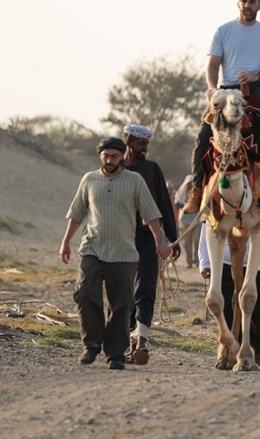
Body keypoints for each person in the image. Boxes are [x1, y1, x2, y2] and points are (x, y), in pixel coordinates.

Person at [185, 0, 260, 213]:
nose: (247, 5)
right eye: (244, 1)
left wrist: (256, 75)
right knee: (203, 134)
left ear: (259, 6)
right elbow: (212, 65)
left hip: (257, 86)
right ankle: (196, 189)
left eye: (252, 1)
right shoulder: (223, 31)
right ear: (238, 4)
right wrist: (212, 91)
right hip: (227, 88)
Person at [59, 137, 172, 370]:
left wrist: (160, 241)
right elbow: (77, 213)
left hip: (124, 253)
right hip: (92, 249)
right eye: (105, 156)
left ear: (122, 156)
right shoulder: (89, 180)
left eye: (114, 156)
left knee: (122, 304)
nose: (109, 160)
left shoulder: (134, 180)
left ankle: (115, 354)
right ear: (100, 156)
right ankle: (91, 344)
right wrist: (65, 243)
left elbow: (151, 213)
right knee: (84, 292)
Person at [120, 124, 180, 364]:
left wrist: (172, 238)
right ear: (128, 142)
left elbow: (165, 205)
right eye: (140, 143)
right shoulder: (115, 169)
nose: (144, 147)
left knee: (145, 287)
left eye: (147, 143)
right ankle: (125, 341)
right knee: (122, 291)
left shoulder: (153, 170)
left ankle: (142, 336)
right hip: (120, 238)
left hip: (148, 238)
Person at [198, 231, 260, 364]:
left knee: (257, 313)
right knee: (227, 309)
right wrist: (205, 263)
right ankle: (233, 348)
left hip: (255, 264)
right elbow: (208, 231)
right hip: (223, 262)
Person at [174, 174, 200, 269]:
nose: (190, 185)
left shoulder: (197, 192)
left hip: (197, 220)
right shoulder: (182, 193)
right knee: (186, 242)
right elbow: (177, 203)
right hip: (185, 221)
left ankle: (196, 260)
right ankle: (189, 261)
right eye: (188, 184)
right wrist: (185, 205)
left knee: (197, 240)